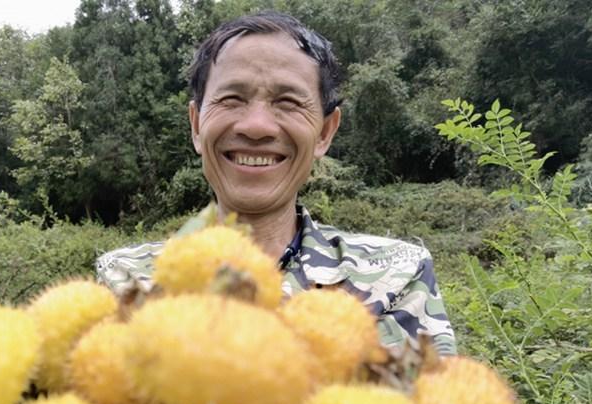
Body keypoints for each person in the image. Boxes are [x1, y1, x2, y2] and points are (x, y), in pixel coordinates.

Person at [97, 11, 456, 356]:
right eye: (232, 99)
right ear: (195, 125)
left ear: (325, 132)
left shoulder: (397, 273)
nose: (256, 126)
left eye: (287, 102)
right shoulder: (125, 278)